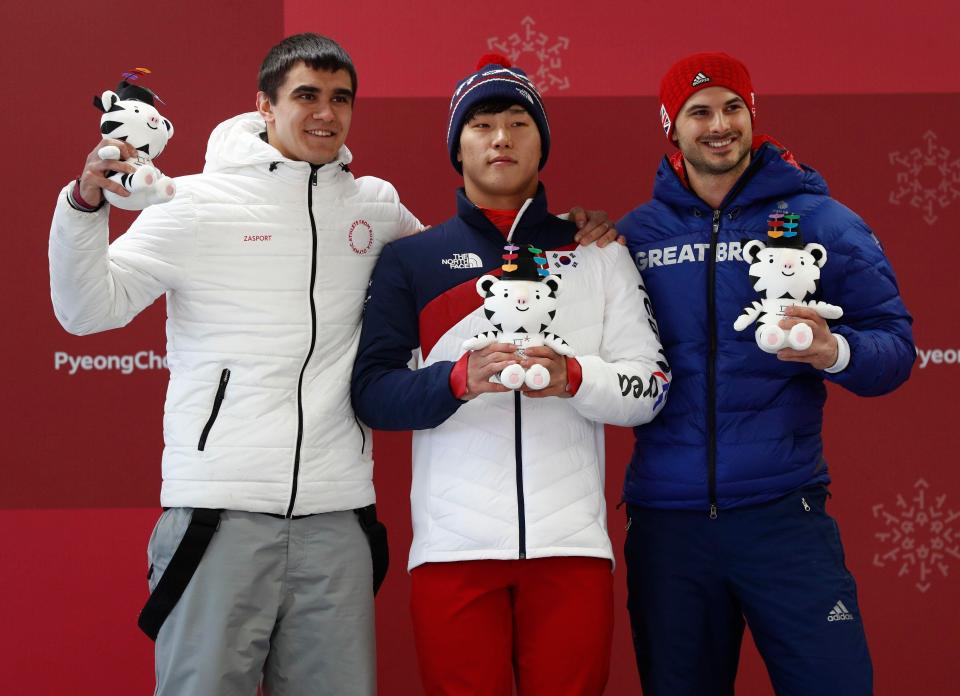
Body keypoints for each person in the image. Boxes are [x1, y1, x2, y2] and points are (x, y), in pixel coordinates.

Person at [49, 34, 615, 696]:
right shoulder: (194, 202)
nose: (326, 113)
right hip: (217, 512)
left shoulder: (375, 208)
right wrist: (85, 205)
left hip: (337, 518)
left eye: (341, 98)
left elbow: (465, 261)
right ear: (265, 105)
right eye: (306, 96)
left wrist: (563, 235)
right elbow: (87, 311)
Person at [351, 55, 670, 696]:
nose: (501, 138)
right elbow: (372, 395)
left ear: (541, 142)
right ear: (458, 146)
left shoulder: (598, 252)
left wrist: (575, 378)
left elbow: (651, 388)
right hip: (452, 553)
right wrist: (455, 381)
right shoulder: (411, 260)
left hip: (572, 552)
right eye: (483, 124)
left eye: (519, 122)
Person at [617, 52, 915, 696]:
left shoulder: (825, 222)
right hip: (669, 526)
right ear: (673, 126)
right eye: (699, 112)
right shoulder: (634, 237)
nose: (719, 125)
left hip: (784, 513)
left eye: (733, 108)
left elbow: (895, 346)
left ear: (753, 116)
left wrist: (836, 351)